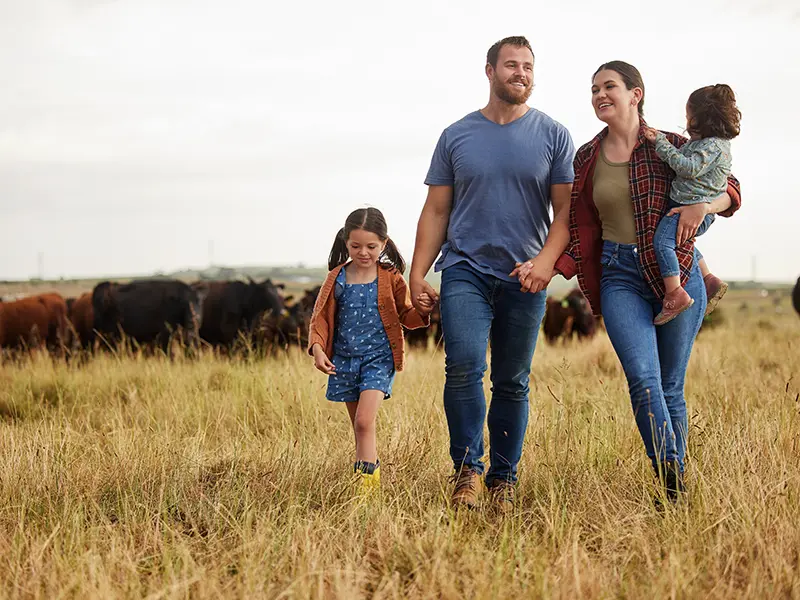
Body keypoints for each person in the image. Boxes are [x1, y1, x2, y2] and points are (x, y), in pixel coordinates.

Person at [554, 61, 741, 503]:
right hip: (619, 275)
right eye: (594, 88)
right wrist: (551, 264)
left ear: (635, 94)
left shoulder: (673, 146)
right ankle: (672, 475)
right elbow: (573, 222)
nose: (600, 94)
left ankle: (674, 495)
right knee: (643, 380)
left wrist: (704, 208)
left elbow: (731, 188)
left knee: (672, 386)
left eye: (610, 86)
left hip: (677, 271)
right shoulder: (586, 157)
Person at [409, 36, 575, 512]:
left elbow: (564, 213)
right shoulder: (456, 135)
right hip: (465, 269)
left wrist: (545, 264)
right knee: (462, 365)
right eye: (510, 65)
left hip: (526, 276)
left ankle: (503, 480)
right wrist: (418, 274)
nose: (520, 73)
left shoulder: (554, 134)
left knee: (511, 380)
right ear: (489, 71)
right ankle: (466, 473)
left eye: (527, 66)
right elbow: (437, 210)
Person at [307, 207, 429, 493]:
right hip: (344, 360)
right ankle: (367, 479)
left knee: (364, 422)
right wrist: (317, 348)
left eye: (371, 246)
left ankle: (366, 494)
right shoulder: (336, 277)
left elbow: (406, 315)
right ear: (345, 243)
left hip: (378, 358)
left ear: (384, 244)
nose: (363, 252)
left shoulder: (390, 276)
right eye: (355, 246)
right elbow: (321, 318)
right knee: (360, 428)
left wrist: (423, 311)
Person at [644, 84, 741, 325]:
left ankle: (674, 293)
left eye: (689, 116)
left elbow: (688, 167)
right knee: (679, 242)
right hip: (687, 206)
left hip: (689, 209)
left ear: (702, 118)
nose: (686, 122)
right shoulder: (703, 143)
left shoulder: (712, 147)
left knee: (662, 242)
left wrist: (662, 144)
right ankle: (708, 278)